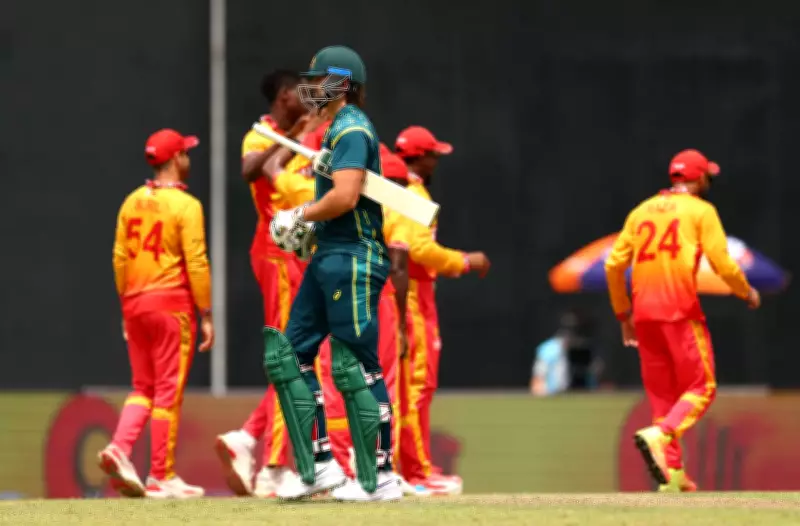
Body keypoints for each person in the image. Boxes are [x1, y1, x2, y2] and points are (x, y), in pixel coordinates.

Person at [263, 45, 402, 502]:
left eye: (318, 79)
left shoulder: (353, 128)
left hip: (354, 258)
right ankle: (319, 466)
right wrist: (312, 229)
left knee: (355, 363)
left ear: (342, 83)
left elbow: (344, 197)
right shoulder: (334, 129)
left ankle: (379, 475)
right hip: (330, 255)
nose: (311, 87)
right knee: (289, 355)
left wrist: (300, 214)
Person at [604, 149, 761, 492]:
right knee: (702, 388)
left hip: (643, 314)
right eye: (709, 178)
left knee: (663, 396)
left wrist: (623, 314)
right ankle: (661, 435)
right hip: (679, 310)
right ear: (700, 178)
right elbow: (722, 262)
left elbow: (613, 265)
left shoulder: (641, 211)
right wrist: (745, 291)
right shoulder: (702, 211)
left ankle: (672, 474)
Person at [99, 129, 213, 498]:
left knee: (142, 388)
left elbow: (119, 258)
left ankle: (119, 447)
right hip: (170, 305)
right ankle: (161, 474)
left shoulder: (131, 201)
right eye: (186, 153)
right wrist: (206, 312)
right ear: (177, 158)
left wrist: (125, 304)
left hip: (135, 303)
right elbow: (196, 263)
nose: (188, 159)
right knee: (167, 392)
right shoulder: (186, 205)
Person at [215, 70, 313, 498]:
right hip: (278, 249)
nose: (311, 100)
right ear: (286, 95)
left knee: (302, 357)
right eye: (304, 93)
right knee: (291, 355)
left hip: (301, 252)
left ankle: (248, 438)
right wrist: (291, 137)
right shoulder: (262, 133)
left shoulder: (307, 134)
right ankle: (273, 467)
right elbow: (250, 170)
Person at [394, 126, 490, 495]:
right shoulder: (412, 193)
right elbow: (418, 250)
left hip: (404, 292)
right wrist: (464, 261)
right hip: (413, 294)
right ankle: (417, 471)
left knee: (409, 384)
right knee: (418, 384)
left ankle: (410, 467)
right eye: (434, 155)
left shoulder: (393, 190)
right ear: (419, 158)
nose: (436, 162)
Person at [319, 145, 411, 489]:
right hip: (376, 300)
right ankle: (380, 468)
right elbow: (398, 268)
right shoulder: (394, 208)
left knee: (336, 385)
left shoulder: (335, 204)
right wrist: (401, 323)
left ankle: (338, 470)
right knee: (381, 383)